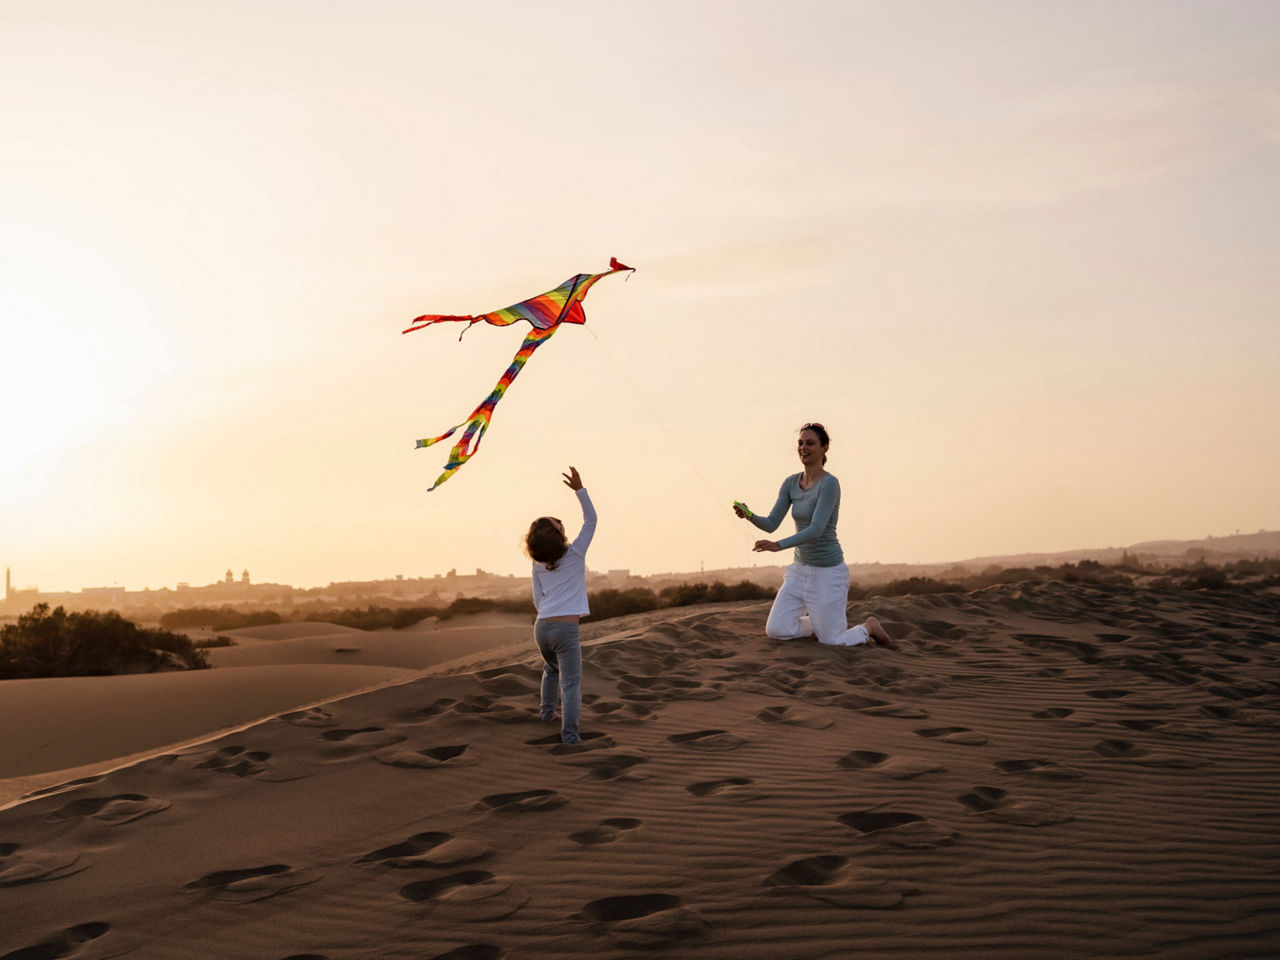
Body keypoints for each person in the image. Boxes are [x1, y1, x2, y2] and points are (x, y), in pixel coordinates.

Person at [734, 422, 893, 648]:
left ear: (824, 448)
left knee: (833, 640)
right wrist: (749, 515)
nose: (803, 448)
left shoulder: (830, 484)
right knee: (776, 630)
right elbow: (771, 523)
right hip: (799, 572)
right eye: (800, 443)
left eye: (810, 443)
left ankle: (868, 628)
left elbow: (817, 528)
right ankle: (819, 623)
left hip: (828, 573)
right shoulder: (790, 483)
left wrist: (778, 546)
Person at [525, 466, 596, 744]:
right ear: (557, 536)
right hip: (566, 630)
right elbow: (591, 519)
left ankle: (546, 714)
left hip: (542, 627)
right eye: (559, 524)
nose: (562, 523)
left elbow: (537, 599)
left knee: (551, 670)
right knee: (570, 684)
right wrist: (580, 490)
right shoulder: (576, 553)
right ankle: (570, 736)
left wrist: (549, 615)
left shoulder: (537, 563)